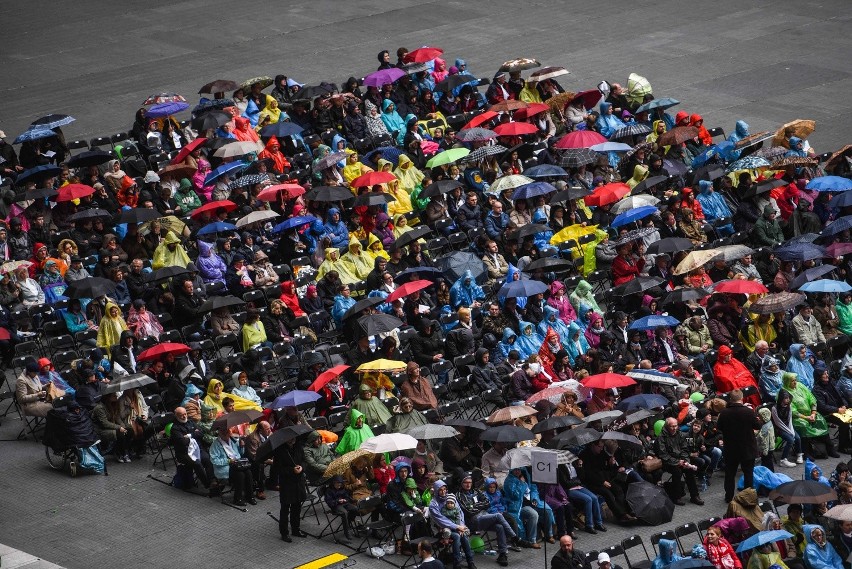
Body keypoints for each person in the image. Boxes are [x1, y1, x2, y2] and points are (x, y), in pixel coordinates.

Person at [457, 473, 516, 565]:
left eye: (470, 482)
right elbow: (469, 511)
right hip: (473, 521)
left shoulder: (476, 491)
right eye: (465, 482)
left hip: (485, 516)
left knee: (499, 527)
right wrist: (481, 506)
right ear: (461, 483)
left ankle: (502, 554)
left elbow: (487, 502)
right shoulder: (459, 495)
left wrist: (475, 505)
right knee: (498, 516)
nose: (468, 485)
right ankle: (514, 537)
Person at [716, 389, 762, 502]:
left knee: (730, 474)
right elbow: (757, 426)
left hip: (731, 449)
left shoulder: (724, 413)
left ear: (730, 399)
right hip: (747, 448)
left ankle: (729, 497)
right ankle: (748, 497)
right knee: (748, 474)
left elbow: (719, 427)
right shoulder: (749, 412)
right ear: (742, 399)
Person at [655, 417, 705, 505]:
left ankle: (694, 496)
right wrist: (677, 462)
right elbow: (663, 455)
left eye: (676, 426)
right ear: (667, 426)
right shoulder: (661, 438)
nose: (675, 428)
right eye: (672, 426)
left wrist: (685, 461)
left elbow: (685, 449)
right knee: (677, 471)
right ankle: (676, 496)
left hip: (680, 459)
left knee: (689, 470)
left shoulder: (680, 434)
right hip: (667, 462)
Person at [430, 480, 478, 569]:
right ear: (436, 491)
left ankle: (470, 561)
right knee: (457, 536)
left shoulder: (450, 498)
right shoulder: (433, 504)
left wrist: (461, 525)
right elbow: (441, 520)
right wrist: (457, 527)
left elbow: (460, 513)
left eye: (444, 489)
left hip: (457, 526)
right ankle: (457, 563)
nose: (443, 492)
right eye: (440, 490)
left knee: (462, 535)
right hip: (441, 529)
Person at [209, 426, 256, 507]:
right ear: (219, 432)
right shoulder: (215, 444)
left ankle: (249, 496)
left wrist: (242, 447)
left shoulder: (233, 441)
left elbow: (240, 454)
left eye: (227, 430)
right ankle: (238, 499)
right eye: (222, 430)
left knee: (248, 472)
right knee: (240, 474)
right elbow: (214, 460)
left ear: (230, 431)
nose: (225, 432)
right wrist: (228, 461)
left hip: (237, 464)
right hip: (224, 468)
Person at [275, 433, 308, 542]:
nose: (292, 440)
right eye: (289, 438)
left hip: (298, 482)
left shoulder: (298, 446)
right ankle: (284, 533)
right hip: (287, 484)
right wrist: (291, 470)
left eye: (293, 438)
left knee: (297, 507)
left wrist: (301, 467)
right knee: (285, 509)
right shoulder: (280, 451)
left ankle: (296, 529)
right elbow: (278, 469)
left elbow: (304, 460)